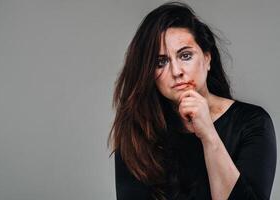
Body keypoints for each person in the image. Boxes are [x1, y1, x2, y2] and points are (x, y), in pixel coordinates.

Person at [107, 2, 277, 200]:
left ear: (207, 58)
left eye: (185, 56)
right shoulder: (138, 134)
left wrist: (208, 134)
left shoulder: (252, 123)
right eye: (161, 62)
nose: (176, 71)